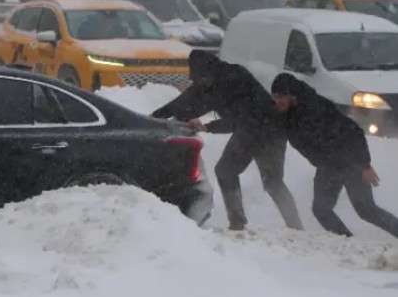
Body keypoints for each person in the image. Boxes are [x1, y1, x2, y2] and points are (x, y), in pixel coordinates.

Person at [151, 50, 303, 231]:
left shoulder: (235, 78)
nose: (199, 83)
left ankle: (296, 226)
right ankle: (237, 220)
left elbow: (239, 120)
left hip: (270, 131)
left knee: (273, 182)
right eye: (198, 80)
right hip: (247, 132)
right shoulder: (208, 83)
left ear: (209, 72)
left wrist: (207, 127)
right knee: (225, 171)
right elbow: (184, 104)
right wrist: (154, 118)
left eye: (201, 79)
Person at [271, 73, 398, 238]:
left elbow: (354, 132)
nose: (278, 101)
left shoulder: (316, 108)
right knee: (321, 210)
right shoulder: (287, 115)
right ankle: (348, 244)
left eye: (282, 96)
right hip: (328, 166)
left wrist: (364, 165)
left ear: (292, 96)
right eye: (275, 96)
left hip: (351, 163)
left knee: (366, 210)